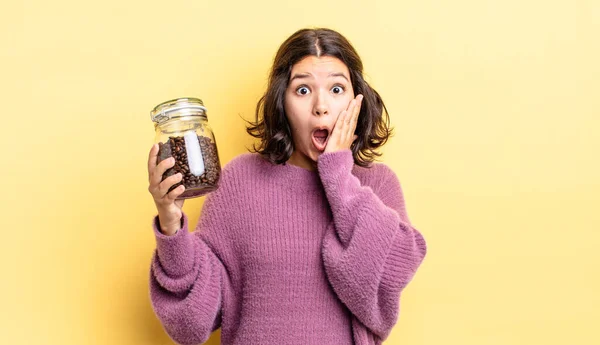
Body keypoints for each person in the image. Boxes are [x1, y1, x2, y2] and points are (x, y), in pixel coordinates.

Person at [146, 27, 427, 345]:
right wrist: (171, 225)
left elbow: (385, 284)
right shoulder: (240, 181)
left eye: (337, 89)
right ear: (283, 100)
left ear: (356, 100)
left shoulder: (377, 184)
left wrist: (337, 174)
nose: (321, 106)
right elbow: (191, 324)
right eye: (303, 90)